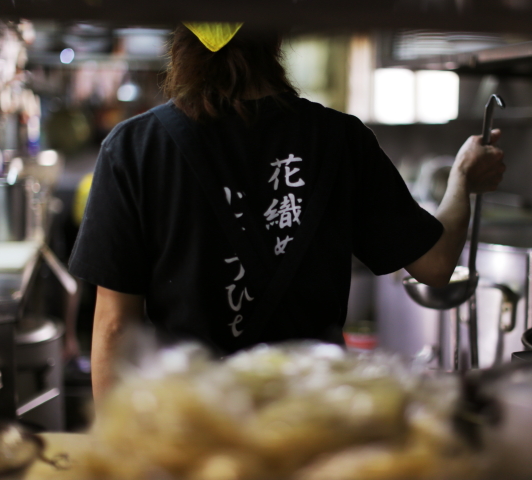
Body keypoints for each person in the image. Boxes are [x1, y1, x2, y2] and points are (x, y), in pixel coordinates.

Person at [68, 23, 505, 403]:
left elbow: (113, 331)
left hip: (190, 428)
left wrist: (115, 451)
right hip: (310, 423)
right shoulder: (341, 139)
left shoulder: (133, 148)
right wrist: (462, 180)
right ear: (277, 35)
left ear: (181, 40)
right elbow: (435, 264)